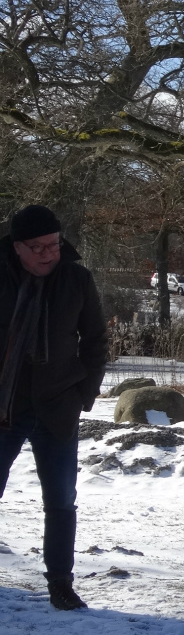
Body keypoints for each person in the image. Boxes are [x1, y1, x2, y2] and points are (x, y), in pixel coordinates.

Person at [0, 205, 108, 610]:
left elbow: (95, 341)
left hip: (58, 405)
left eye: (54, 245)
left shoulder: (76, 279)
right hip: (5, 405)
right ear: (17, 247)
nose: (49, 254)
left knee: (61, 499)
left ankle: (61, 582)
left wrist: (85, 394)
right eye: (38, 247)